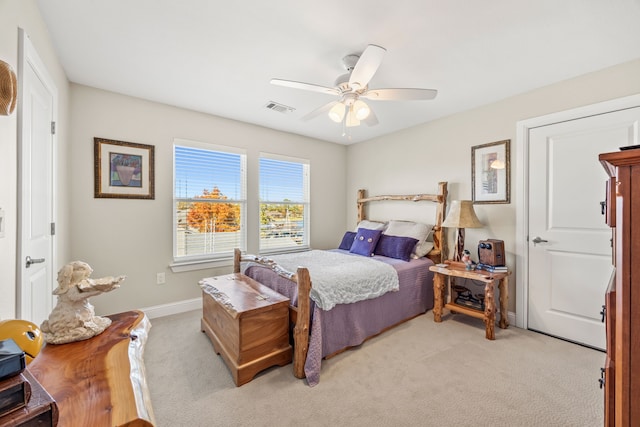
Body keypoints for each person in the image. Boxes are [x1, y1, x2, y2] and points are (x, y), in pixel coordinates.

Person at [40, 261, 125, 344]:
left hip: (81, 310)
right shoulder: (70, 288)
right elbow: (76, 297)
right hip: (71, 313)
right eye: (81, 270)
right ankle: (69, 330)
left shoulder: (79, 284)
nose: (85, 274)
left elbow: (91, 287)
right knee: (72, 321)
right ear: (71, 273)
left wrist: (105, 287)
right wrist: (98, 291)